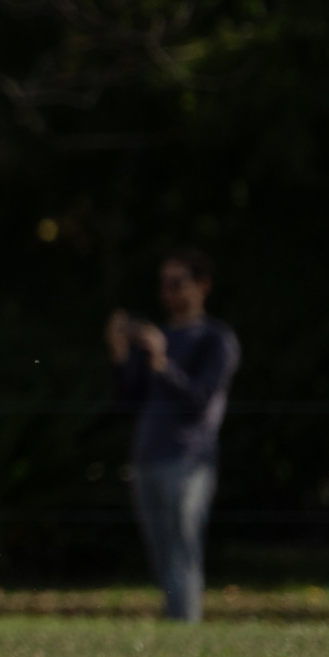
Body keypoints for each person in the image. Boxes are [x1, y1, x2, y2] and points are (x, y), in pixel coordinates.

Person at [106, 247, 241, 623]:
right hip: (147, 457)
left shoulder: (216, 339)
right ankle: (174, 628)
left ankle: (185, 629)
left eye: (177, 282)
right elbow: (129, 400)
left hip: (189, 459)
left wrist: (162, 363)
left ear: (203, 285)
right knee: (161, 553)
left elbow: (199, 401)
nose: (168, 291)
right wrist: (120, 354)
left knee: (183, 549)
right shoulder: (160, 336)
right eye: (164, 283)